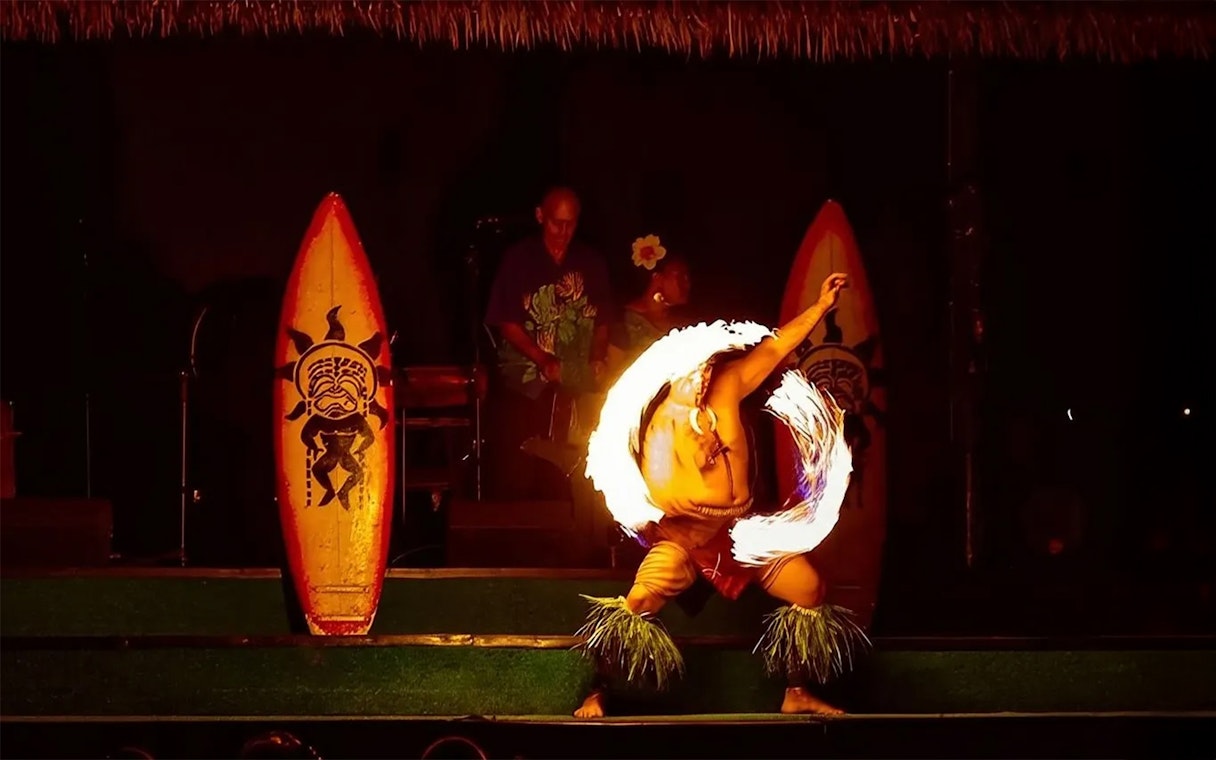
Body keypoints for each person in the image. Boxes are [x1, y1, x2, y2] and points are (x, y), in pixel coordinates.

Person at [574, 271, 864, 718]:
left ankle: (796, 691)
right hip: (689, 541)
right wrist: (703, 460)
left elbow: (774, 347)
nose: (705, 374)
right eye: (696, 370)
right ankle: (597, 690)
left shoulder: (726, 388)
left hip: (741, 533)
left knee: (809, 587)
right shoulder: (663, 426)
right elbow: (665, 497)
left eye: (708, 365)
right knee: (638, 603)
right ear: (673, 374)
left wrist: (822, 306)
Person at [483, 187, 614, 499]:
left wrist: (597, 355)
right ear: (540, 217)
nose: (564, 232)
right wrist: (541, 358)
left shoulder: (590, 262)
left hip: (574, 390)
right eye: (557, 223)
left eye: (571, 224)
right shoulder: (518, 260)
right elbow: (505, 321)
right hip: (526, 388)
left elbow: (604, 320)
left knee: (569, 479)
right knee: (521, 476)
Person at [606, 233, 692, 380]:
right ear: (657, 278)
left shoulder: (682, 326)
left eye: (686, 276)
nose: (687, 283)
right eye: (679, 275)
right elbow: (611, 379)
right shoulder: (622, 323)